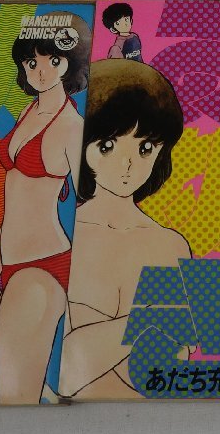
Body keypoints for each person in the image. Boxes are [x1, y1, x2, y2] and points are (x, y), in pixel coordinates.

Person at [60, 59, 189, 399]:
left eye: (145, 148)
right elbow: (64, 372)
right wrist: (148, 320)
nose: (127, 164)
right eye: (107, 146)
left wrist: (98, 336)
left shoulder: (175, 245)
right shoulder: (63, 235)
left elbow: (178, 369)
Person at [0, 12, 89, 404]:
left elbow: (90, 206)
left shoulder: (71, 127)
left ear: (69, 63)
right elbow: (12, 205)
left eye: (52, 60)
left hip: (43, 267)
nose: (40, 71)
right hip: (8, 264)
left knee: (11, 399)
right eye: (32, 62)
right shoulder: (27, 113)